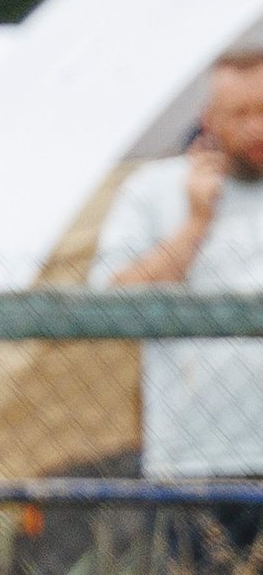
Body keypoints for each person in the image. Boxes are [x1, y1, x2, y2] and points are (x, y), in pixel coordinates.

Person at [92, 51, 263, 480]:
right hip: (195, 462)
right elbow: (109, 301)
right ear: (208, 119)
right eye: (240, 114)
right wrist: (196, 224)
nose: (256, 127)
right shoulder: (154, 190)